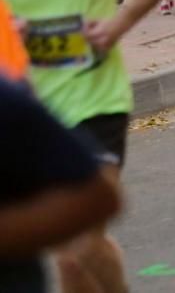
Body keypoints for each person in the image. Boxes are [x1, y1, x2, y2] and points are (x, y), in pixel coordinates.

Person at [0, 0, 173, 293]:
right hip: (28, 109)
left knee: (76, 248)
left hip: (95, 99)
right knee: (77, 249)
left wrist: (117, 24)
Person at [0, 76, 123, 293]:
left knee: (74, 257)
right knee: (75, 258)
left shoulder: (8, 103)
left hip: (94, 106)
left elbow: (99, 197)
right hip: (49, 100)